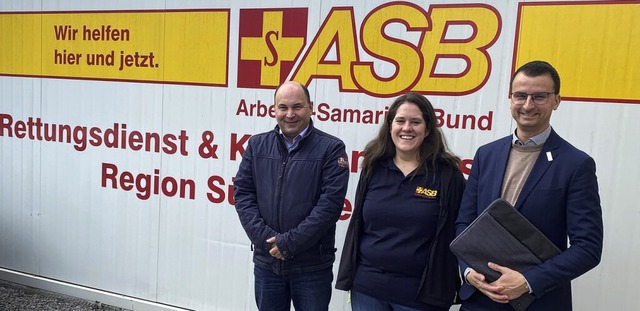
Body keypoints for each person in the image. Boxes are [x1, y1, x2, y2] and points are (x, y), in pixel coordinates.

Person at [455, 60, 603, 310]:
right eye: (520, 96)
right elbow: (464, 223)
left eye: (539, 97)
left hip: (538, 302)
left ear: (556, 100)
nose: (528, 105)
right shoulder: (486, 154)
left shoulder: (576, 164)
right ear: (510, 98)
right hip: (480, 299)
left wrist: (528, 282)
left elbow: (588, 248)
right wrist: (468, 270)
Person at [336, 92, 466, 311]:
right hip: (368, 289)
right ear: (390, 126)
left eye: (416, 122)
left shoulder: (447, 176)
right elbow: (359, 224)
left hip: (420, 296)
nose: (407, 128)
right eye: (400, 121)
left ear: (427, 129)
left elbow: (461, 231)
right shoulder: (373, 167)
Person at [233, 81, 350, 311]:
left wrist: (288, 243)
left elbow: (330, 206)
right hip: (267, 264)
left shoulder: (331, 148)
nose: (290, 114)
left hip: (311, 267)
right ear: (273, 110)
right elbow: (243, 194)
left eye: (297, 106)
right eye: (283, 107)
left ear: (311, 107)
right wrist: (268, 242)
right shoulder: (257, 145)